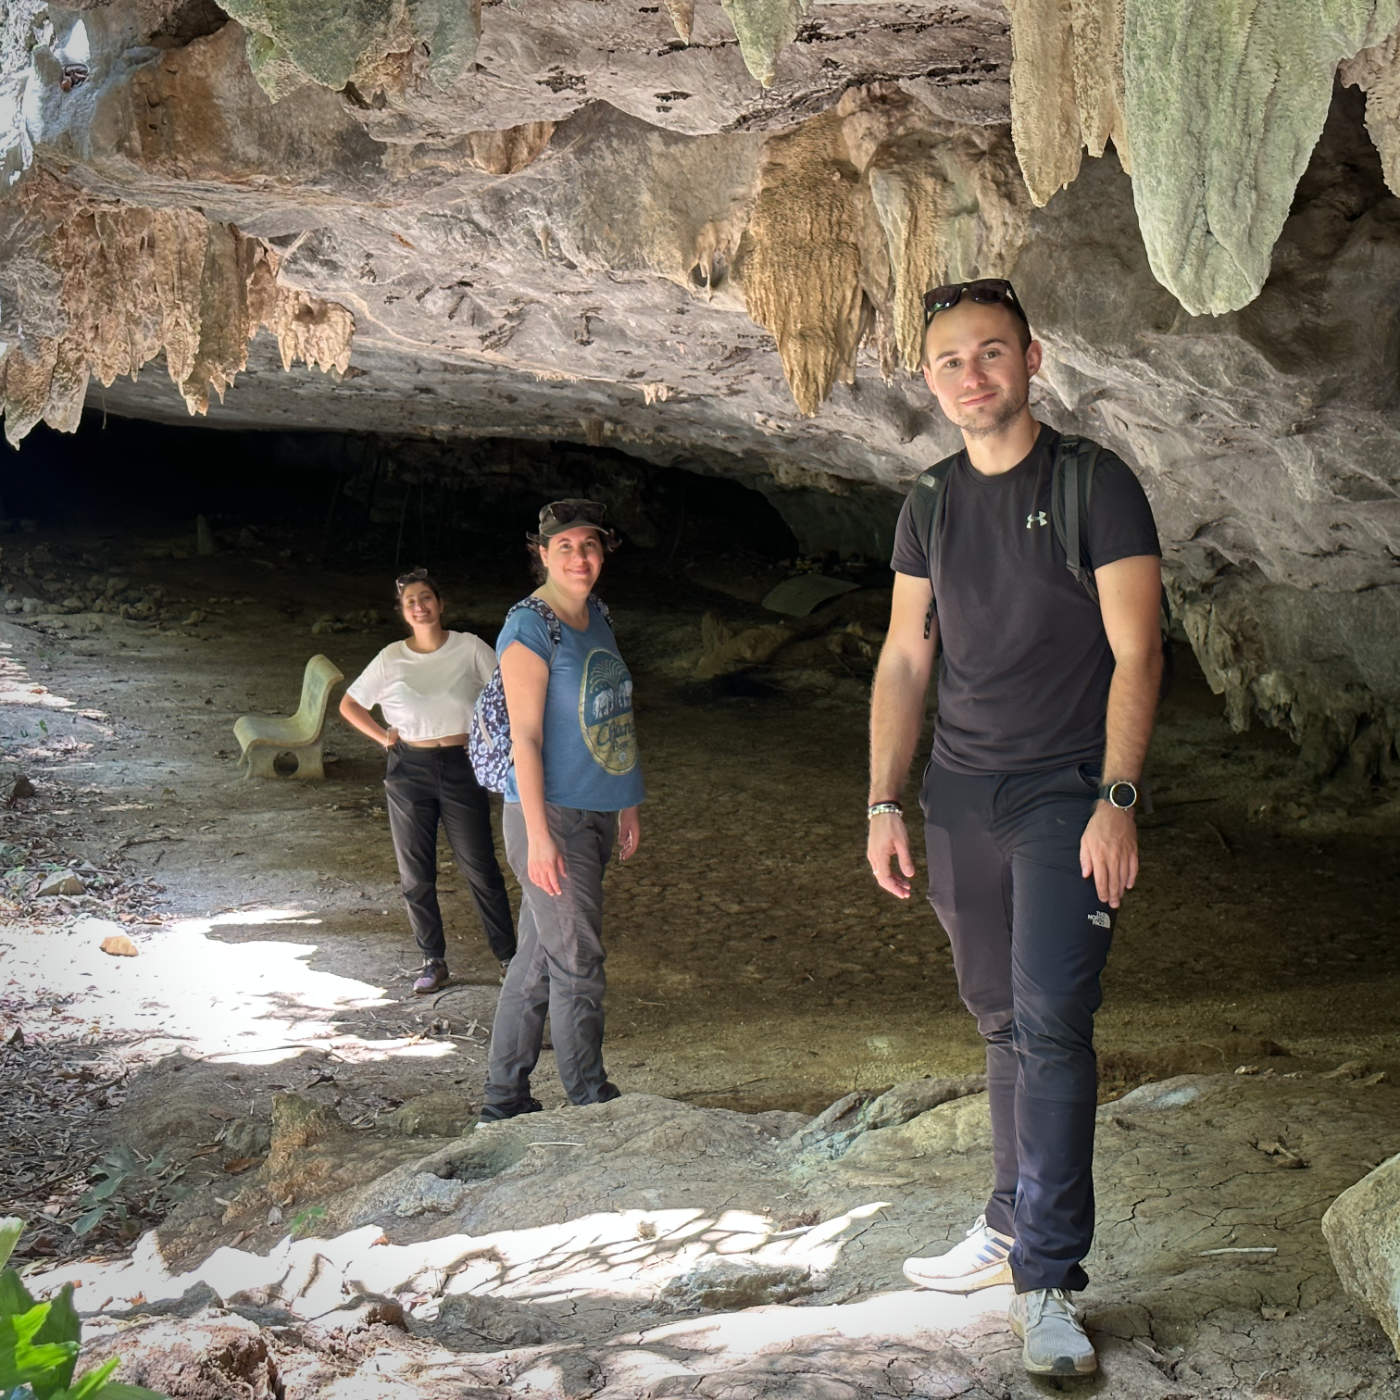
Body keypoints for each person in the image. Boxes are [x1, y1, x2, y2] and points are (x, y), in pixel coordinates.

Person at [867, 279, 1163, 1377]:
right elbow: (905, 656)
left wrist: (1117, 799)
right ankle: (1004, 1224)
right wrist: (882, 799)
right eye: (949, 359)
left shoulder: (1093, 485)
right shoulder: (929, 503)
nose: (970, 375)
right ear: (931, 380)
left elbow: (1138, 652)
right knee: (997, 1021)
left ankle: (1045, 1279)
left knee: (1050, 1024)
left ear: (1031, 360)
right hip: (956, 793)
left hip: (1062, 793)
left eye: (991, 352)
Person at [479, 500, 644, 1121]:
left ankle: (503, 1100)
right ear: (542, 553)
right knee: (578, 958)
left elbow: (615, 713)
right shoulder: (529, 627)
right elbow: (525, 738)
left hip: (598, 811)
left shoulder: (597, 615)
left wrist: (628, 801)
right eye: (566, 546)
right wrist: (540, 835)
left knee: (538, 959)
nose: (581, 557)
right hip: (551, 817)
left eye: (591, 545)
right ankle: (588, 1097)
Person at [340, 568, 516, 994]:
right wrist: (383, 737)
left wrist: (495, 741)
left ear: (440, 603)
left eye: (426, 598)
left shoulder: (469, 648)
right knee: (416, 872)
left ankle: (510, 958)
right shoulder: (391, 658)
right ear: (403, 613)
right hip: (408, 768)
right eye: (410, 602)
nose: (419, 606)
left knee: (481, 867)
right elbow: (349, 704)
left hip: (461, 764)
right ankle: (433, 960)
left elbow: (507, 690)